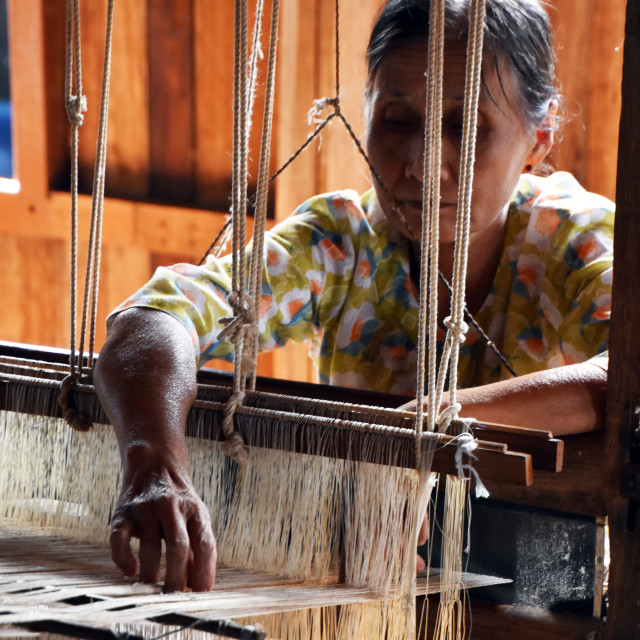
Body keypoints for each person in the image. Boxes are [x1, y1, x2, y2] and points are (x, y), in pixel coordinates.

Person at [94, 0, 613, 593]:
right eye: (396, 120)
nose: (422, 164)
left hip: (550, 588)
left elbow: (624, 375)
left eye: (466, 126)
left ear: (539, 137)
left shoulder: (577, 241)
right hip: (366, 576)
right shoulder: (343, 241)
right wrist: (153, 464)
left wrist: (433, 422)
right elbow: (157, 318)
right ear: (364, 113)